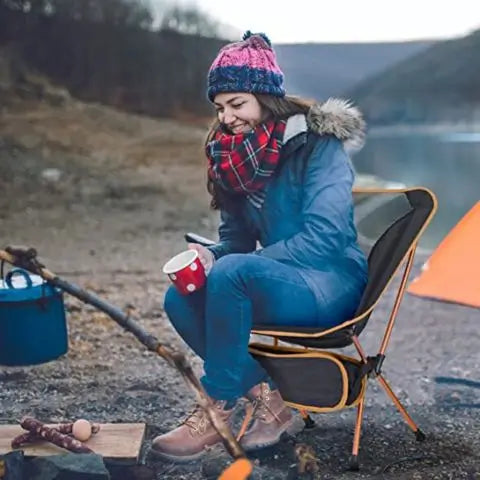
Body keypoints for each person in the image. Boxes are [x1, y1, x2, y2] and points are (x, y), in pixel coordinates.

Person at [151, 31, 368, 462]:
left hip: (330, 282)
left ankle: (216, 409)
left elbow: (324, 238)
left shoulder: (318, 145)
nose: (227, 117)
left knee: (234, 272)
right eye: (220, 107)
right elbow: (236, 240)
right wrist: (211, 255)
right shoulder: (233, 156)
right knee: (180, 297)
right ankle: (270, 401)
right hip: (277, 278)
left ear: (266, 100)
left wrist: (240, 263)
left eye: (237, 105)